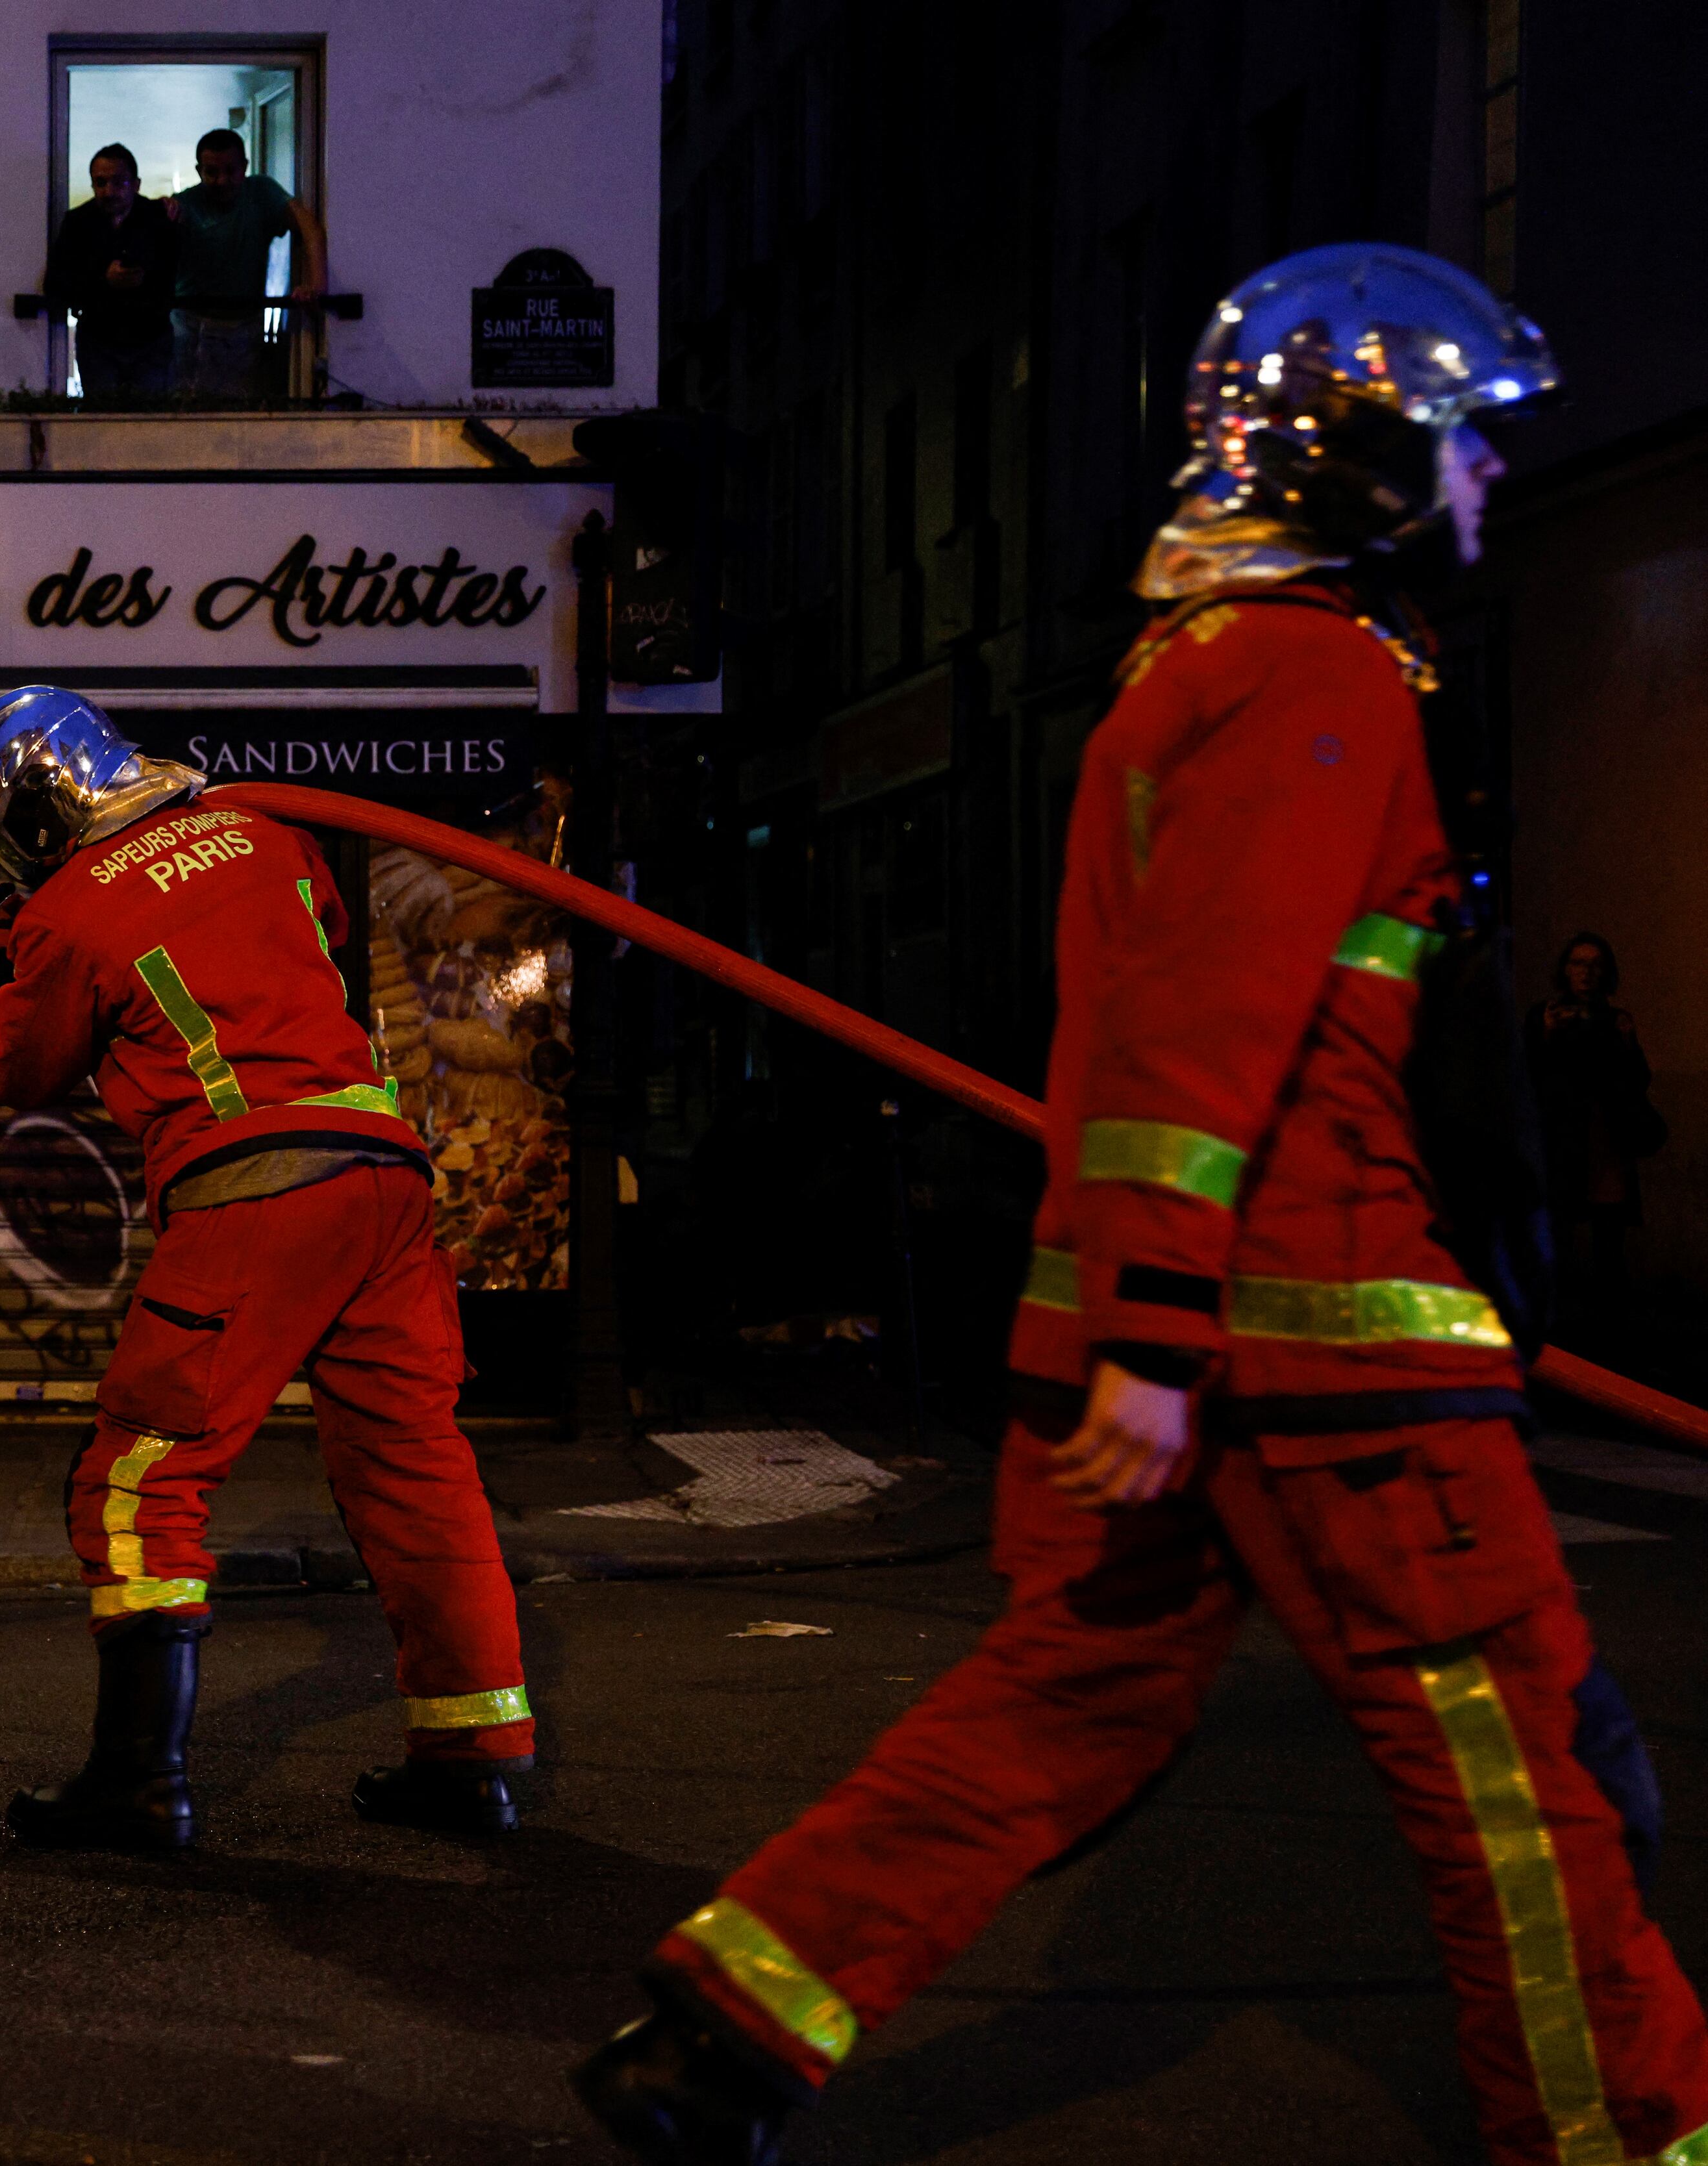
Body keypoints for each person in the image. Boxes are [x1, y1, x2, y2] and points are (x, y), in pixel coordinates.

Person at [572, 245, 1708, 2166]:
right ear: (1349, 460)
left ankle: (720, 2030)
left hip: (1203, 1332)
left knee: (1062, 1707)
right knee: (1519, 1779)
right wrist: (1168, 1336)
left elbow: (1150, 1033)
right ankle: (1617, 2136)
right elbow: (1206, 1022)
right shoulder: (1312, 671)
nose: (1485, 482)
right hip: (1328, 1352)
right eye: (1452, 442)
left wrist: (1137, 1325)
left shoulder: (1190, 673)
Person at [0, 685, 534, 1850]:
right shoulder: (272, 835)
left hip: (259, 1188)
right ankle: (474, 1760)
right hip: (385, 1176)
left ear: (35, 812)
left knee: (138, 1481)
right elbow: (306, 936)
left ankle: (139, 1784)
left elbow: (20, 1067)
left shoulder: (71, 911)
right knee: (415, 1464)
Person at [1530, 932, 1664, 1322]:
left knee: (1609, 1235)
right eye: (1578, 964)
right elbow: (1529, 1075)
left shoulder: (1615, 1020)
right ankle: (1561, 1323)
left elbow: (1637, 1081)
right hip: (1563, 1140)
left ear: (1605, 972)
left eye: (1594, 964)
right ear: (1565, 970)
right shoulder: (1546, 1015)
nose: (1586, 973)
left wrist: (1626, 1043)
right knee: (1560, 1231)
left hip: (1606, 1138)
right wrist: (1547, 1035)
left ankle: (1608, 1321)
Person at [169, 129, 325, 402]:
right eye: (212, 172)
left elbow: (308, 226)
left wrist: (317, 286)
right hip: (189, 322)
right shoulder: (184, 203)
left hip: (242, 324)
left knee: (237, 411)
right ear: (199, 171)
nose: (222, 181)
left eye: (230, 170)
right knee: (183, 407)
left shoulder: (261, 191)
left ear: (245, 167)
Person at [45, 143, 180, 397]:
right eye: (101, 183)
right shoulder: (77, 223)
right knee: (109, 421)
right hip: (101, 340)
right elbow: (57, 282)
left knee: (138, 420)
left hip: (147, 337)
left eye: (118, 182)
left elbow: (174, 272)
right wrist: (104, 280)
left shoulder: (158, 218)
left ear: (136, 184)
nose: (109, 191)